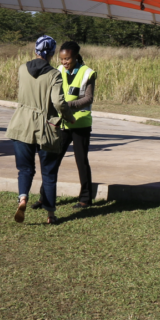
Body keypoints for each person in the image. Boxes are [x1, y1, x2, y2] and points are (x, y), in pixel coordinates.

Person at [7, 35, 76, 225]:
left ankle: (22, 199)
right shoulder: (54, 74)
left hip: (21, 124)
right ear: (52, 53)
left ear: (35, 50)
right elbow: (58, 102)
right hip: (45, 127)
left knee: (25, 169)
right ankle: (50, 215)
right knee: (49, 173)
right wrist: (70, 117)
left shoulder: (22, 69)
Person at [56, 41, 96, 209]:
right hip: (63, 123)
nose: (64, 62)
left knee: (81, 161)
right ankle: (45, 197)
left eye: (68, 59)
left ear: (76, 57)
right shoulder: (58, 70)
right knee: (53, 160)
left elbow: (88, 98)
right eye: (62, 59)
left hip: (80, 124)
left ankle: (85, 198)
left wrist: (68, 105)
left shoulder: (88, 73)